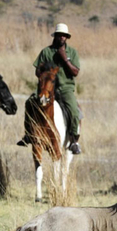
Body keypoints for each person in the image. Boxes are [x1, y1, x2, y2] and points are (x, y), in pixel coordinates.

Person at [18, 23, 82, 154]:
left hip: (65, 89)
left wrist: (65, 59)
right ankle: (28, 134)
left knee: (74, 111)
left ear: (67, 37)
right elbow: (37, 71)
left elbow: (75, 72)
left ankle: (74, 141)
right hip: (47, 89)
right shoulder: (46, 52)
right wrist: (44, 73)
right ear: (55, 36)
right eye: (59, 35)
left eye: (64, 35)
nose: (62, 37)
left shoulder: (72, 52)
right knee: (30, 102)